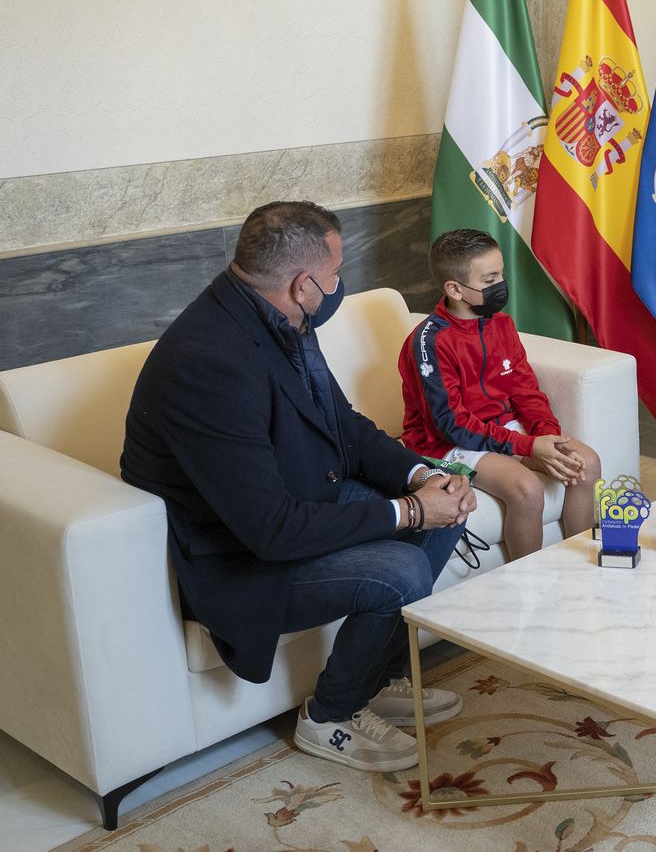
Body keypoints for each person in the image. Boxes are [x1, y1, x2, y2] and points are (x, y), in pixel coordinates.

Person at [122, 201, 477, 774]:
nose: (340, 286)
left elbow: (348, 429)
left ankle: (371, 679)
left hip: (306, 500)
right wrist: (409, 512)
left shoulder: (282, 318)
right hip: (240, 559)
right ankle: (328, 719)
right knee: (404, 569)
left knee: (447, 511)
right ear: (303, 282)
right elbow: (270, 530)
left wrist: (422, 477)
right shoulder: (207, 363)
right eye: (336, 275)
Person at [398, 229, 600, 561]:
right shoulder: (428, 342)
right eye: (490, 278)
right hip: (447, 443)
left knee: (584, 463)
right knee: (527, 488)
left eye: (501, 273)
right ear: (455, 288)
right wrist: (527, 446)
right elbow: (451, 424)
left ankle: (580, 569)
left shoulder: (501, 324)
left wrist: (546, 437)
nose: (501, 284)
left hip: (500, 429)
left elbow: (526, 391)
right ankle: (529, 583)